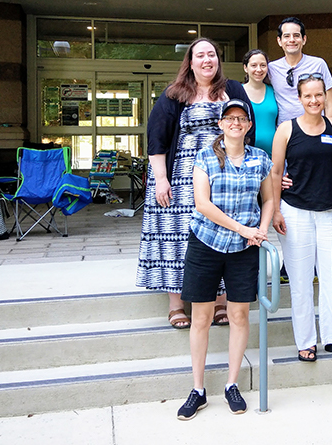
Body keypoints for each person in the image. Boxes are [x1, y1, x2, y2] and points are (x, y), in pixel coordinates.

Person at [136, 38, 255, 329]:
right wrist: (161, 179)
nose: (206, 60)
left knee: (224, 233)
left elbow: (247, 127)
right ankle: (177, 304)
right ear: (190, 62)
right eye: (200, 55)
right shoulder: (174, 94)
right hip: (180, 180)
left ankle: (220, 302)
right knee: (177, 240)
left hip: (225, 178)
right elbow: (157, 139)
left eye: (211, 54)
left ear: (218, 60)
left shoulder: (233, 90)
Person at [177, 99, 274, 420]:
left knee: (239, 316)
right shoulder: (204, 157)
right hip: (206, 243)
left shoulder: (260, 158)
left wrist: (260, 229)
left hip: (245, 249)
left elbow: (270, 198)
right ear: (220, 124)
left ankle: (232, 384)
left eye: (241, 118)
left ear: (248, 125)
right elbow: (202, 204)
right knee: (201, 318)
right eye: (229, 118)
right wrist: (244, 228)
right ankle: (198, 389)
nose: (235, 123)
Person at [271, 73, 332, 362]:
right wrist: (274, 210)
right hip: (294, 212)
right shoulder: (286, 129)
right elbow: (274, 172)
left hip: (329, 213)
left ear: (325, 96)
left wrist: (329, 181)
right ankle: (306, 341)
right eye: (307, 95)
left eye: (318, 95)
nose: (313, 100)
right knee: (300, 280)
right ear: (299, 98)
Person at [268, 17, 332, 125]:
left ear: (304, 40)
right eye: (286, 36)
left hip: (316, 129)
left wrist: (328, 130)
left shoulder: (318, 64)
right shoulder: (271, 68)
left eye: (296, 36)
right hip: (285, 132)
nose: (292, 40)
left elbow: (329, 103)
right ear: (279, 41)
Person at [242, 49, 277, 158]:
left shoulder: (274, 91)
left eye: (263, 65)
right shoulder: (238, 92)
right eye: (254, 65)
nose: (259, 69)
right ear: (245, 68)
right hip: (245, 154)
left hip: (273, 155)